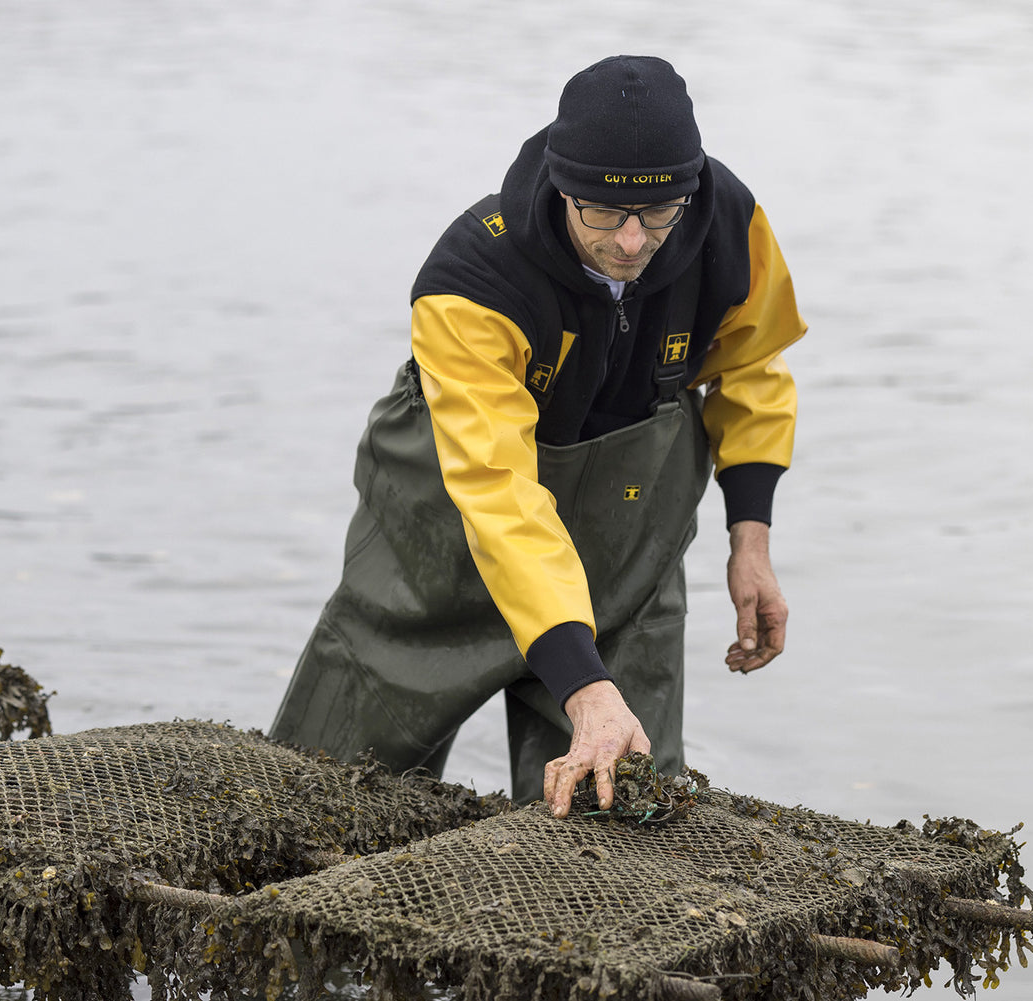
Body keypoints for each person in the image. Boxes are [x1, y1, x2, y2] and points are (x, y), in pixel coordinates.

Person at [271, 55, 805, 818]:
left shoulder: (730, 223)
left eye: (659, 212)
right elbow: (498, 491)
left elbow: (752, 365)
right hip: (440, 560)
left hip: (626, 570)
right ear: (561, 186)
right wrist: (581, 684)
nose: (632, 241)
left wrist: (750, 540)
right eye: (603, 213)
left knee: (619, 821)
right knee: (317, 805)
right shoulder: (470, 282)